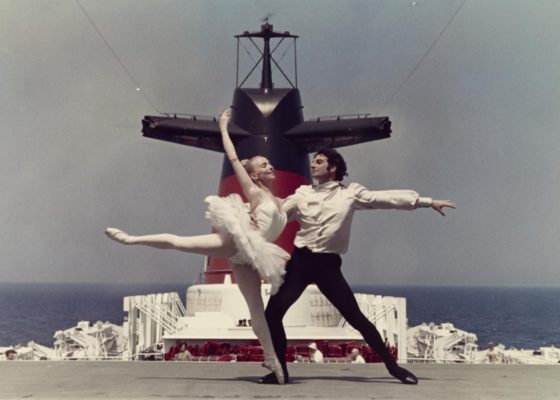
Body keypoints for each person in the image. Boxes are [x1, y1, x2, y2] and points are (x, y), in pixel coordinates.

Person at [106, 109, 288, 384]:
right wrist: (223, 128)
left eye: (270, 163)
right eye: (263, 165)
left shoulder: (279, 200)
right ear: (254, 174)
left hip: (253, 257)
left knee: (256, 310)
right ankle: (131, 239)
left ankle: (273, 361)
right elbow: (234, 158)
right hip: (239, 242)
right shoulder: (253, 191)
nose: (270, 166)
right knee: (181, 242)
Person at [260, 147, 456, 385]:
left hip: (327, 265)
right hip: (301, 261)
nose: (313, 165)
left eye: (319, 161)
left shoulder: (350, 194)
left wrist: (427, 202)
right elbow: (278, 214)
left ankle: (394, 368)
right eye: (313, 161)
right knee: (272, 314)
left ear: (332, 168)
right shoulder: (301, 194)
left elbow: (386, 198)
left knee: (356, 317)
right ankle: (279, 372)